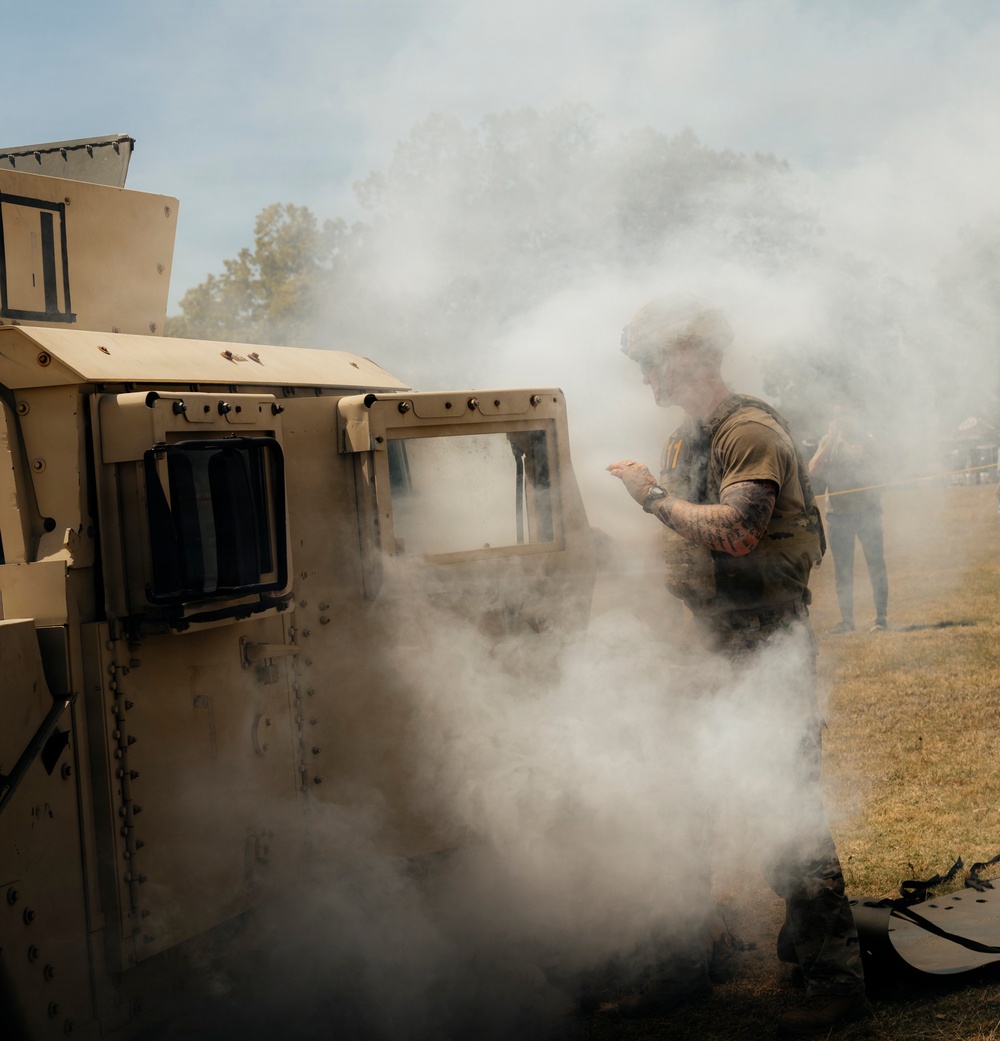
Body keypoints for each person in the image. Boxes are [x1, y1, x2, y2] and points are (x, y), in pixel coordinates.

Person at [606, 295, 870, 1036]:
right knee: (680, 804)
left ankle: (835, 981)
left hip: (763, 646)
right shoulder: (684, 438)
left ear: (691, 357)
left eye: (654, 363)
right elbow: (687, 541)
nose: (648, 380)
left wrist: (650, 498)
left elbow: (739, 530)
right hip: (706, 643)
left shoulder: (748, 431)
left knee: (788, 810)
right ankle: (687, 961)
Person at [808, 407, 889, 633]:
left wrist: (869, 452)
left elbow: (884, 468)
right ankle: (847, 622)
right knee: (843, 570)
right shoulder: (828, 440)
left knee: (876, 565)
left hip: (868, 512)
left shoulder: (868, 439)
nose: (841, 418)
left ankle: (881, 619)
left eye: (845, 413)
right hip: (838, 516)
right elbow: (813, 469)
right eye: (837, 414)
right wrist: (832, 440)